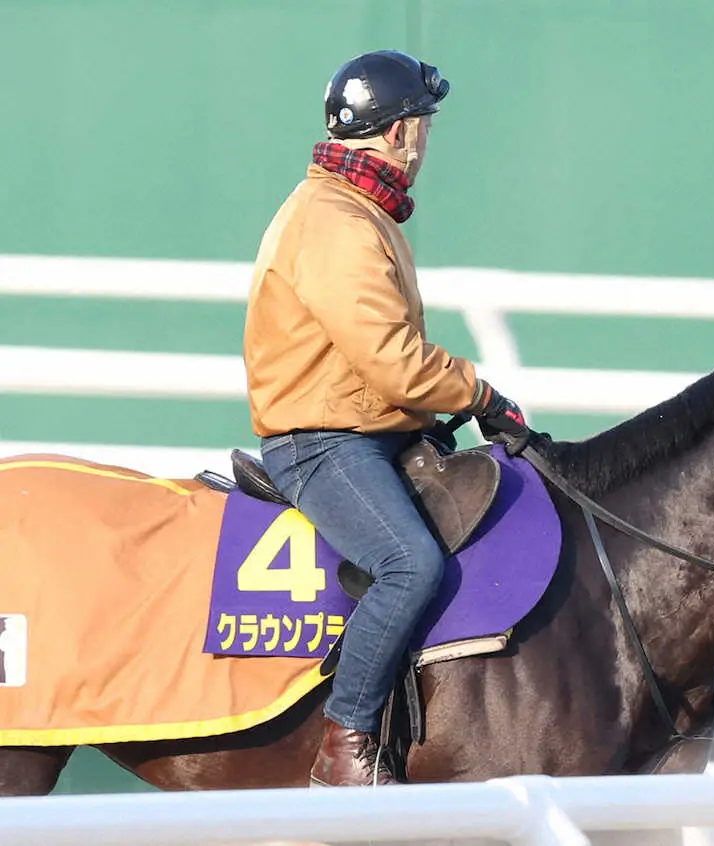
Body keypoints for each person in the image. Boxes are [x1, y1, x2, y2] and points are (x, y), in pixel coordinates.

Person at [242, 49, 530, 787]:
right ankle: (346, 746)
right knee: (411, 566)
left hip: (357, 425)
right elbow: (394, 360)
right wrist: (481, 395)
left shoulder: (352, 208)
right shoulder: (337, 222)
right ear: (398, 133)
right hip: (321, 443)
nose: (426, 141)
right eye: (423, 126)